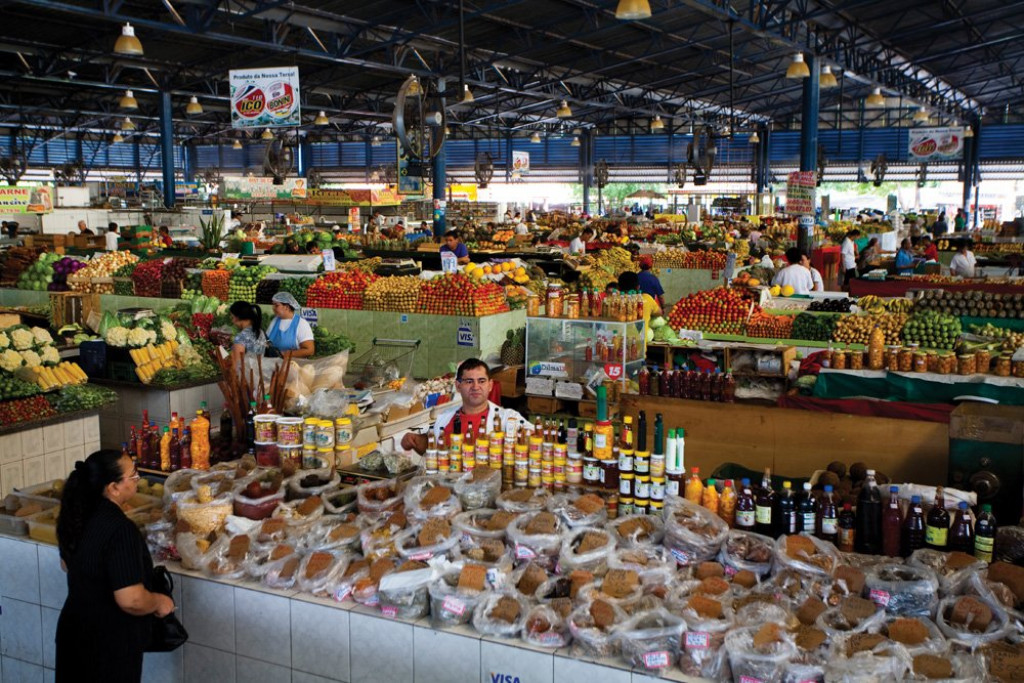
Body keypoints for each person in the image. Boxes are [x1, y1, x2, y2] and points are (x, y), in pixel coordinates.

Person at [55, 449, 175, 682]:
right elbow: (131, 599)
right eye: (133, 476)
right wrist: (160, 602)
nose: (137, 480)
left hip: (74, 632)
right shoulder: (119, 529)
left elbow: (66, 564)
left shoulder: (76, 514)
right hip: (108, 644)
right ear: (113, 487)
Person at [401, 358, 531, 454]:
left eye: (481, 381)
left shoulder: (508, 419)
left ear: (490, 385)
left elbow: (537, 439)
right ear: (458, 386)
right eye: (469, 381)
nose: (475, 387)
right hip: (449, 487)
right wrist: (414, 440)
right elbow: (432, 446)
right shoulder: (445, 418)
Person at [266, 292, 315, 361]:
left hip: (295, 365)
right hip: (274, 364)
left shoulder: (301, 324)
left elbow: (309, 350)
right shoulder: (275, 321)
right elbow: (267, 341)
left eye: (276, 305)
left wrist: (283, 354)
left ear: (286, 307)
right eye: (273, 305)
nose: (273, 308)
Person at [229, 301, 267, 369]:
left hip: (246, 377)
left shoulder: (241, 337)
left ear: (237, 317)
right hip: (259, 375)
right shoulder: (260, 332)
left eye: (232, 317)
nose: (232, 321)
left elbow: (238, 365)